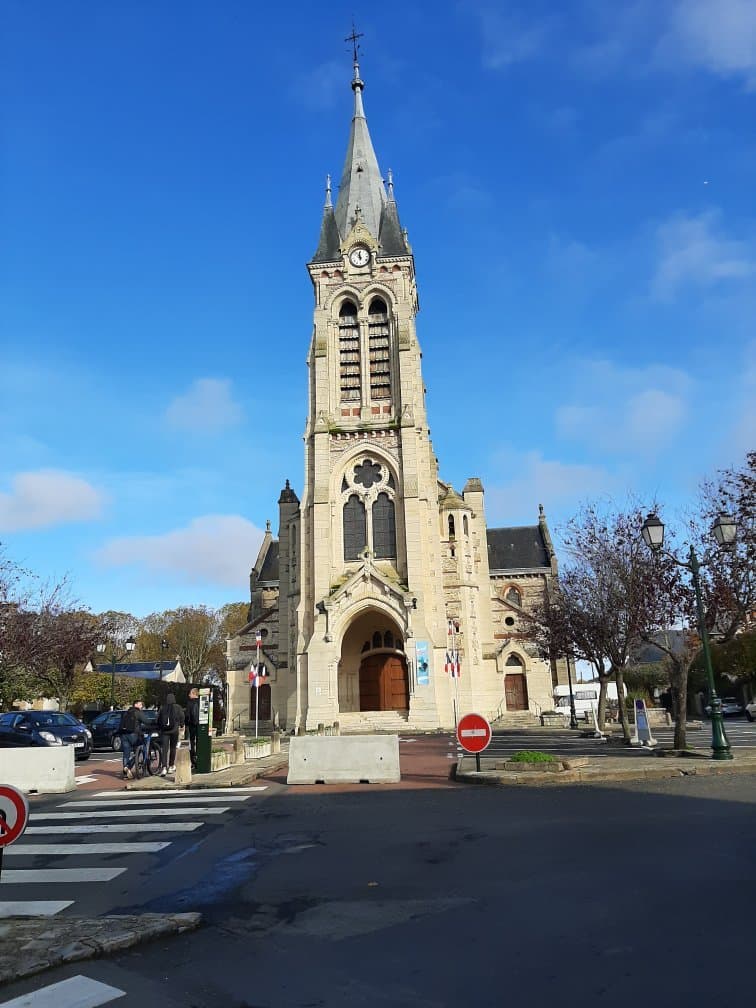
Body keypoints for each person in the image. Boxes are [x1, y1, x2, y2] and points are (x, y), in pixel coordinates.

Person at [157, 692, 185, 776]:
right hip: (174, 730)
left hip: (165, 731)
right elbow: (182, 716)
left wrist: (160, 727)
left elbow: (158, 719)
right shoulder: (177, 707)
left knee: (164, 749)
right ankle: (171, 765)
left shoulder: (162, 708)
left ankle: (164, 767)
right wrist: (181, 724)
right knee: (173, 748)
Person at [120, 701, 149, 779]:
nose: (141, 706)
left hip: (124, 735)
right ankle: (129, 766)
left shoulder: (126, 713)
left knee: (126, 754)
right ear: (135, 705)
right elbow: (147, 721)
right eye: (140, 704)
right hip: (133, 735)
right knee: (139, 749)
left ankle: (126, 772)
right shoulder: (138, 712)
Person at [185, 687, 200, 769]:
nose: (189, 695)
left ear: (194, 694)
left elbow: (187, 715)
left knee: (191, 742)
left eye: (190, 693)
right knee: (199, 741)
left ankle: (193, 760)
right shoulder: (201, 702)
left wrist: (186, 723)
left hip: (192, 726)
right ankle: (199, 758)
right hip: (200, 725)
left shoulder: (189, 703)